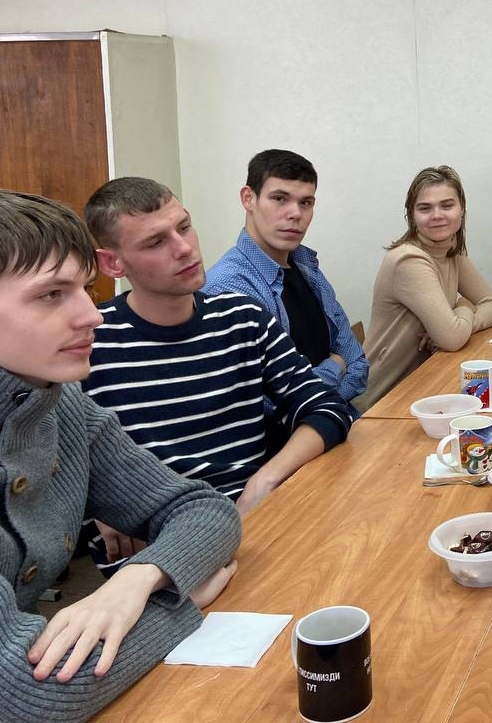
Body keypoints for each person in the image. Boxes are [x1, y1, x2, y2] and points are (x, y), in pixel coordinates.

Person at [0, 190, 240, 723]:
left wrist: (137, 579)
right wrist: (178, 604)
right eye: (50, 295)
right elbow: (24, 696)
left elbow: (203, 508)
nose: (92, 316)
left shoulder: (57, 404)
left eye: (85, 288)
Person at [81, 178, 353, 567]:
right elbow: (47, 457)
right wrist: (97, 498)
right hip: (160, 550)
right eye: (155, 242)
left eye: (184, 227)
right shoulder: (88, 340)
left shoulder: (241, 318)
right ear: (112, 263)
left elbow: (325, 407)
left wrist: (265, 480)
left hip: (257, 523)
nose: (184, 248)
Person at [204, 149, 368, 408]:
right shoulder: (227, 287)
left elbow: (357, 364)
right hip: (291, 433)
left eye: (306, 203)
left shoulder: (306, 266)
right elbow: (266, 405)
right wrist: (335, 366)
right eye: (279, 199)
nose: (295, 214)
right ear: (248, 198)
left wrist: (312, 396)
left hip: (339, 422)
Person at [361, 166, 492, 404]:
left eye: (447, 205)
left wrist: (462, 321)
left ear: (462, 209)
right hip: (382, 399)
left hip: (422, 385)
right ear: (412, 216)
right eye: (425, 208)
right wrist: (464, 307)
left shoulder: (450, 249)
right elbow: (452, 338)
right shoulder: (409, 259)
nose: (437, 215)